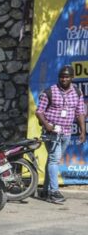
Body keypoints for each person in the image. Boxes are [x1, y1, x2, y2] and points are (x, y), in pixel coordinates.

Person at [35, 65, 86, 203]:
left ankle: (45, 191)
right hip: (51, 132)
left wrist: (83, 130)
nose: (64, 79)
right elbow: (39, 111)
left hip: (67, 132)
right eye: (62, 76)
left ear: (72, 78)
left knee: (53, 160)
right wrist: (47, 125)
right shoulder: (49, 92)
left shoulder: (78, 93)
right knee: (54, 159)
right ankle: (54, 192)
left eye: (67, 76)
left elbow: (80, 112)